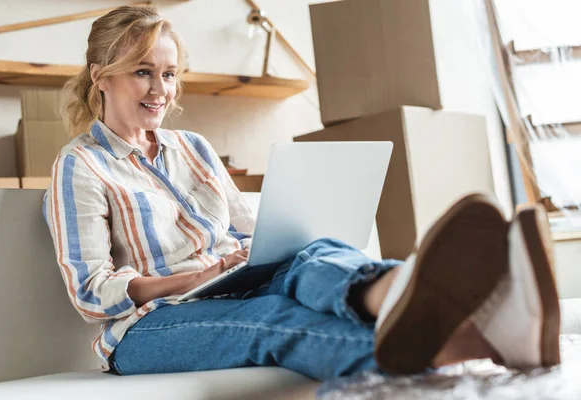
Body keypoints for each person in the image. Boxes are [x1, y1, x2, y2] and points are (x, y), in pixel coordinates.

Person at [44, 5, 561, 380]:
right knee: (274, 322)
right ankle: (482, 333)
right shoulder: (80, 165)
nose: (160, 89)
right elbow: (91, 292)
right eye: (142, 72)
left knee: (311, 256)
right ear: (101, 78)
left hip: (235, 284)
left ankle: (410, 289)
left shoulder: (192, 147)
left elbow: (249, 232)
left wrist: (266, 247)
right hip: (146, 329)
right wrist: (194, 276)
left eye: (169, 74)